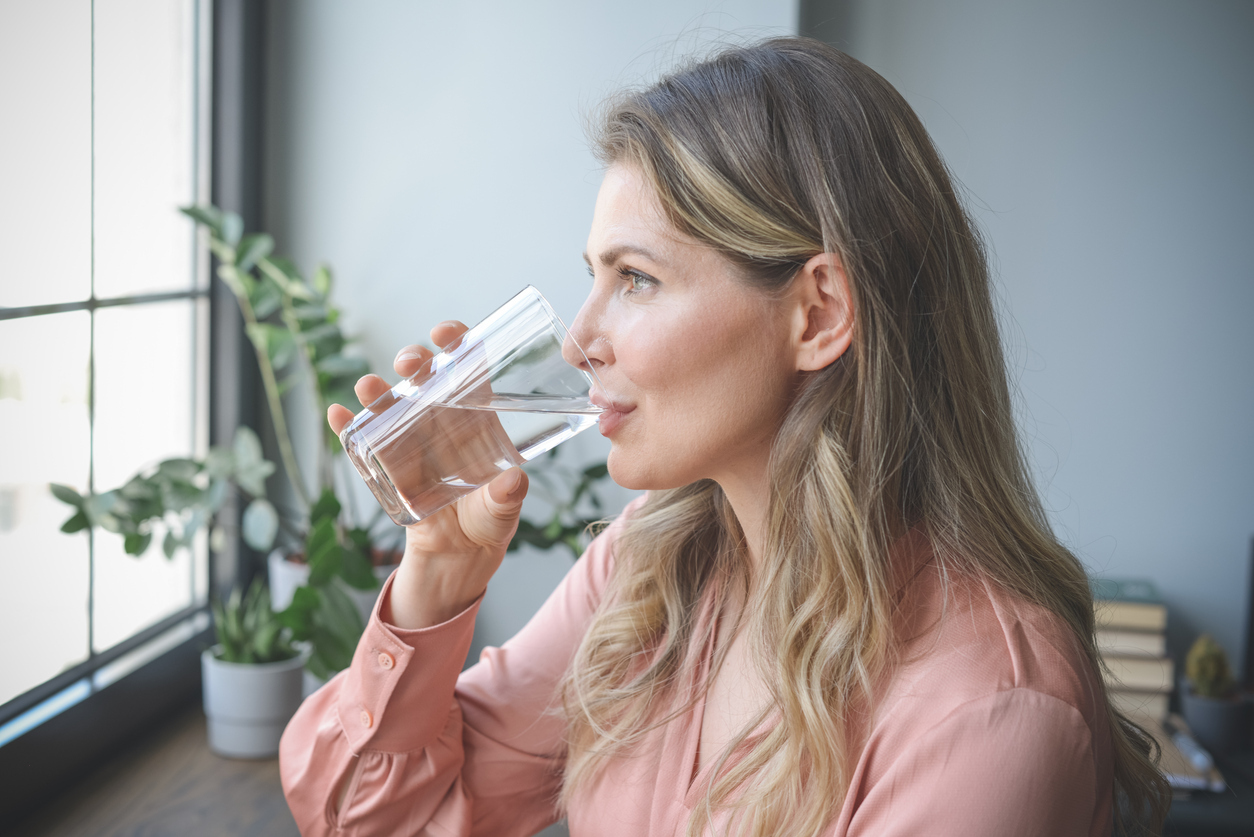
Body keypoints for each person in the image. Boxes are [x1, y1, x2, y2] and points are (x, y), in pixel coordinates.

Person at [280, 37, 1168, 836]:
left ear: (818, 313)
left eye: (635, 279)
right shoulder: (652, 567)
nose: (577, 342)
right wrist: (439, 569)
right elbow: (376, 819)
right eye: (592, 276)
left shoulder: (988, 716)